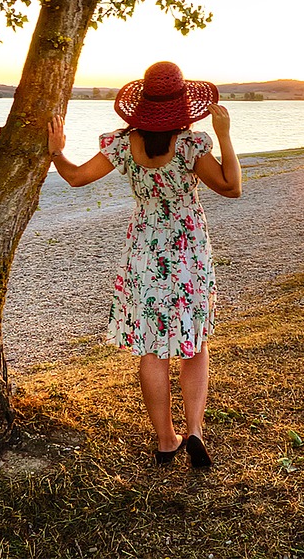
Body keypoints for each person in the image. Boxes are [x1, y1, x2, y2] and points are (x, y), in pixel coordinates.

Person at [47, 61, 241, 469]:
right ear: (183, 104)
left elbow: (77, 178)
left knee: (152, 348)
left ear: (143, 106)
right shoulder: (190, 145)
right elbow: (231, 187)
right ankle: (195, 432)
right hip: (188, 249)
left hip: (145, 250)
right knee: (195, 342)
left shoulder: (122, 144)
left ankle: (165, 440)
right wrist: (224, 136)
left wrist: (56, 151)